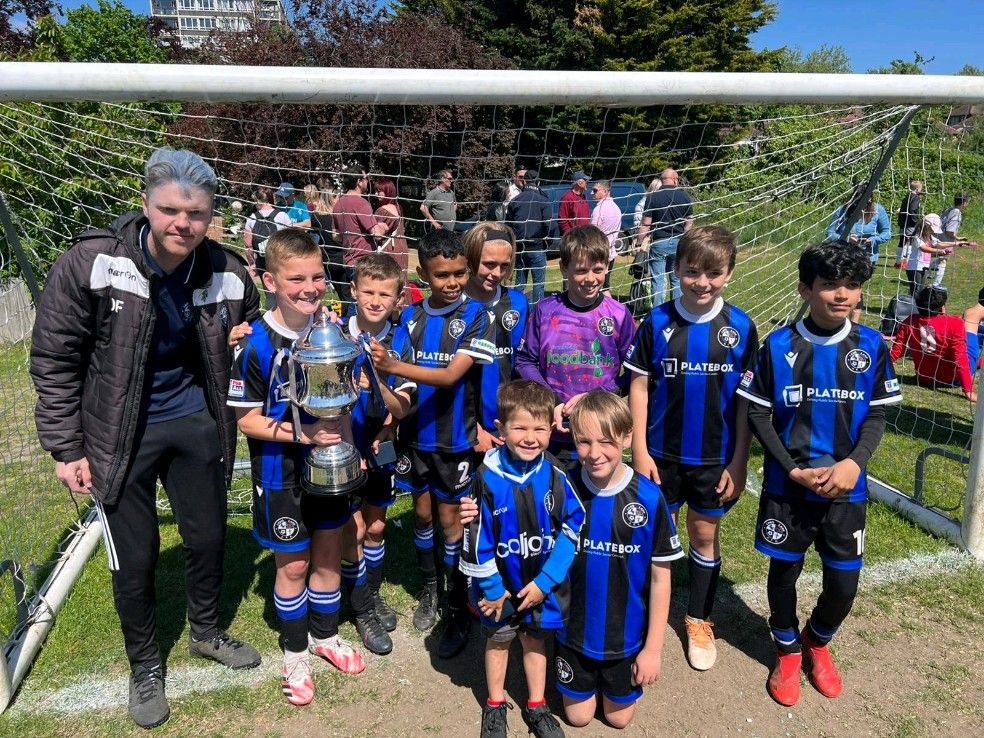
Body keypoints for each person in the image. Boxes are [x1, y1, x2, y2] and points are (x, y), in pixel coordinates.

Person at [30, 147, 262, 729]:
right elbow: (55, 358)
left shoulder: (227, 271)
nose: (181, 223)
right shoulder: (92, 261)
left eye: (196, 213)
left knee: (208, 539)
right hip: (116, 433)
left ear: (212, 216)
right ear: (146, 205)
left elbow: (250, 319)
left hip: (196, 423)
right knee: (136, 561)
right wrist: (67, 447)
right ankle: (145, 666)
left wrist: (241, 336)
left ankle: (206, 631)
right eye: (169, 210)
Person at [736, 241, 903, 707]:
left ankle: (817, 640)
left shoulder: (870, 346)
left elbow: (875, 417)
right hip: (787, 489)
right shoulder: (777, 346)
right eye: (830, 285)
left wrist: (853, 463)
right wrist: (791, 471)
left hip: (846, 490)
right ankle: (787, 649)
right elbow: (758, 415)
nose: (843, 294)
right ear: (806, 289)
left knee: (844, 584)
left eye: (852, 285)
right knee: (784, 572)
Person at [460, 390, 683, 731]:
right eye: (583, 442)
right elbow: (514, 508)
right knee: (578, 718)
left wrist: (653, 649)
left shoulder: (649, 499)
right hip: (573, 633)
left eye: (606, 441)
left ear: (627, 437)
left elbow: (660, 578)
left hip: (624, 635)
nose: (594, 454)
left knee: (618, 719)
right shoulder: (564, 483)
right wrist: (474, 509)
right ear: (571, 439)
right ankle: (507, 701)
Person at [229, 229, 377, 705]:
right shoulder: (255, 342)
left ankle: (324, 635)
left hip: (332, 471)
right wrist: (304, 434)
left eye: (317, 276)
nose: (309, 287)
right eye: (296, 279)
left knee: (330, 552)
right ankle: (294, 652)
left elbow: (347, 401)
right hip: (280, 475)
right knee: (293, 564)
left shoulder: (333, 332)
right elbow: (247, 421)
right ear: (270, 280)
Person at [625, 225, 758, 672]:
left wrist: (738, 461)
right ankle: (645, 613)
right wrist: (639, 450)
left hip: (713, 458)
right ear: (677, 269)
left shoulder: (740, 327)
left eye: (714, 273)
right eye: (692, 272)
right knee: (655, 533)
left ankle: (699, 619)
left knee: (704, 534)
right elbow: (639, 387)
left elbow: (744, 401)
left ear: (730, 273)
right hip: (660, 456)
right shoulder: (657, 321)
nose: (702, 282)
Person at [368, 229, 495, 659]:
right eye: (442, 275)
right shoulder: (410, 318)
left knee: (450, 522)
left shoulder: (478, 316)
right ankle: (430, 589)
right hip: (414, 439)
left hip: (454, 441)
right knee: (421, 516)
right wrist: (386, 409)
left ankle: (457, 605)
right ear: (423, 274)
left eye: (460, 272)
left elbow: (450, 376)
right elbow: (401, 386)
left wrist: (394, 363)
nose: (453, 282)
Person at [461, 380, 585, 738]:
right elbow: (476, 538)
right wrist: (493, 588)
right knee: (498, 641)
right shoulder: (485, 478)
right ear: (500, 429)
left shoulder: (555, 474)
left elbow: (573, 527)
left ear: (551, 429)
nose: (530, 437)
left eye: (539, 428)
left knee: (535, 641)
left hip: (539, 587)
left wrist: (545, 583)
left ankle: (536, 705)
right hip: (498, 588)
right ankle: (495, 705)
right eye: (519, 427)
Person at [338, 253, 417, 647]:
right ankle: (362, 608)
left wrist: (380, 385)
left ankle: (371, 592)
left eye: (384, 294)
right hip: (343, 447)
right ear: (353, 290)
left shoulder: (401, 340)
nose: (374, 300)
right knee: (351, 530)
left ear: (398, 298)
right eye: (367, 291)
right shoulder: (333, 332)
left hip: (383, 446)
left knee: (376, 525)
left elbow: (402, 407)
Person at [515, 225, 635, 464]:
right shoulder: (545, 310)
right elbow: (524, 359)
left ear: (607, 267)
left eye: (598, 270)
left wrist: (596, 397)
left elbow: (635, 371)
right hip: (553, 430)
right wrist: (552, 402)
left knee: (596, 499)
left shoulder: (619, 315)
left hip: (600, 433)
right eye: (581, 270)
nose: (590, 279)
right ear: (563, 268)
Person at [463, 222, 530, 453]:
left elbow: (523, 365)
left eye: (504, 266)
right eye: (489, 264)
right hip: (462, 426)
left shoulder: (519, 304)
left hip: (509, 425)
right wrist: (472, 427)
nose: (497, 274)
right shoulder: (452, 306)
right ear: (470, 259)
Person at [889, 285, 976, 401]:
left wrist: (875, 369)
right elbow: (961, 359)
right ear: (942, 307)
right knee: (972, 320)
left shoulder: (909, 321)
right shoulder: (955, 323)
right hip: (952, 381)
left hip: (924, 379)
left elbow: (896, 353)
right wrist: (969, 391)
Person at [331, 163, 389, 307]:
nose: (367, 182)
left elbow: (335, 236)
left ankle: (353, 326)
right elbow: (377, 234)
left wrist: (351, 238)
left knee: (355, 298)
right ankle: (354, 328)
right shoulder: (361, 203)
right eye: (365, 178)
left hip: (348, 260)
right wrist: (383, 226)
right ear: (359, 181)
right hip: (363, 261)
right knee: (361, 302)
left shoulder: (339, 204)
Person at [634, 168, 694, 305]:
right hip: (678, 242)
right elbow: (689, 222)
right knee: (676, 279)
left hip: (659, 242)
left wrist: (639, 242)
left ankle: (658, 311)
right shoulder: (684, 197)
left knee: (658, 279)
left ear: (662, 180)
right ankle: (677, 309)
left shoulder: (652, 197)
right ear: (674, 179)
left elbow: (646, 223)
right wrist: (684, 237)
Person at [507, 169, 555, 304]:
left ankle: (515, 310)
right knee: (538, 284)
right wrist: (546, 243)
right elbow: (549, 226)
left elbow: (508, 226)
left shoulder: (515, 200)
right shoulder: (543, 200)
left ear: (524, 181)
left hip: (520, 247)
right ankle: (536, 315)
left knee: (520, 283)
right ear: (538, 182)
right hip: (536, 246)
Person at [825, 183, 892, 265]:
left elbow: (887, 233)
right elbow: (829, 233)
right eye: (857, 202)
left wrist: (872, 240)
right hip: (844, 255)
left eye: (865, 203)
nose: (861, 206)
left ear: (870, 199)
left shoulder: (878, 210)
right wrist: (846, 239)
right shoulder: (842, 210)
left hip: (867, 257)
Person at [244, 186, 291, 281]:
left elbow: (248, 246)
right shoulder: (283, 216)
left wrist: (252, 264)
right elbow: (291, 240)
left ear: (258, 200)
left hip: (262, 262)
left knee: (268, 288)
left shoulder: (251, 218)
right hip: (281, 260)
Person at [589, 180, 622, 290]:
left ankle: (608, 306)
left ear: (605, 191)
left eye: (595, 190)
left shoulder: (599, 209)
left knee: (597, 286)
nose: (592, 193)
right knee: (605, 285)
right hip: (611, 252)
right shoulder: (616, 208)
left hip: (599, 253)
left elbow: (593, 233)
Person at [903, 214, 948, 295]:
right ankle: (912, 305)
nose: (934, 231)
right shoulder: (917, 237)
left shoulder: (930, 237)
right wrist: (938, 251)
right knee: (916, 290)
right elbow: (923, 248)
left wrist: (957, 243)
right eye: (932, 229)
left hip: (923, 267)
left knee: (920, 289)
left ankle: (916, 304)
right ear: (926, 226)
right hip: (914, 268)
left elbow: (940, 243)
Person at [372, 177, 409, 273]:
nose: (376, 194)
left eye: (379, 191)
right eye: (375, 191)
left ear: (388, 191)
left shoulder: (381, 210)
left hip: (389, 248)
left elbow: (377, 235)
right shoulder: (398, 208)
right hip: (402, 247)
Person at [895, 179, 924, 267]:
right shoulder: (915, 198)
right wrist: (916, 221)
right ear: (917, 189)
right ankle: (906, 261)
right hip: (910, 223)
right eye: (921, 189)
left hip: (903, 222)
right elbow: (912, 210)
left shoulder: (907, 196)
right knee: (910, 241)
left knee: (902, 241)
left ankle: (898, 262)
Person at [558, 171, 591, 236]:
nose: (587, 183)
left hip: (585, 235)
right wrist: (570, 236)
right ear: (579, 183)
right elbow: (562, 220)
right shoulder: (567, 197)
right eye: (586, 181)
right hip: (574, 237)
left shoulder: (583, 196)